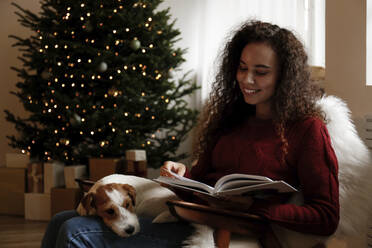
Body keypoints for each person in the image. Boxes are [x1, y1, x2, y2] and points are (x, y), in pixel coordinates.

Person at [41, 20, 339, 247]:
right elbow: (199, 186)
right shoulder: (230, 120)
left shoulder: (307, 130)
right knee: (61, 220)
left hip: (229, 232)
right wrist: (180, 175)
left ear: (284, 76)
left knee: (74, 231)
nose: (246, 79)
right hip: (193, 217)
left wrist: (256, 207)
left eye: (260, 72)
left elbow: (326, 217)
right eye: (242, 67)